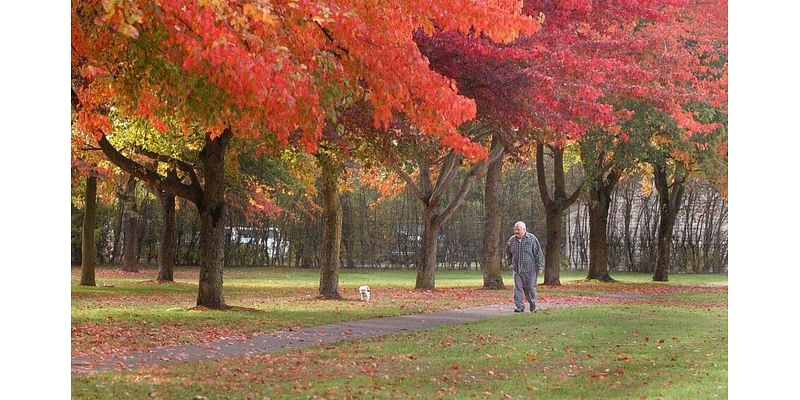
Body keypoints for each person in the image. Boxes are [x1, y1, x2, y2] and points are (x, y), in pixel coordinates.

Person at [506, 221, 544, 313]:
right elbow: (508, 253)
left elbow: (538, 253)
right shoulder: (512, 240)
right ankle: (519, 306)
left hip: (530, 269)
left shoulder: (532, 239)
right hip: (517, 270)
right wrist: (510, 263)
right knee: (517, 288)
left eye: (518, 230)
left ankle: (532, 303)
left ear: (524, 230)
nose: (516, 232)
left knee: (530, 288)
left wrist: (540, 267)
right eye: (515, 230)